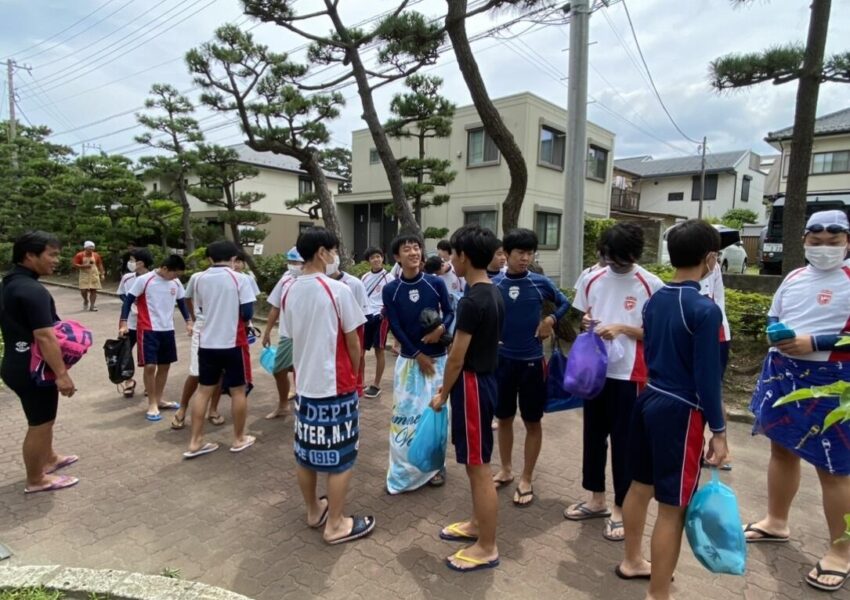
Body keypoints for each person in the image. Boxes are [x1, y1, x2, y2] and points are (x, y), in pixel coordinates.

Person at [617, 219, 728, 597]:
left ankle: (632, 560)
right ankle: (658, 594)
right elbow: (707, 378)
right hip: (681, 411)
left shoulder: (656, 299)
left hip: (648, 398)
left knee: (639, 487)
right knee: (672, 508)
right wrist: (720, 430)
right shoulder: (704, 309)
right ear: (711, 259)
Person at [745, 210, 850, 593]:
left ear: (847, 241)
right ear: (805, 240)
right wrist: (778, 333)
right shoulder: (793, 276)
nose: (823, 248)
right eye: (815, 241)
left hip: (833, 383)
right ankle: (776, 520)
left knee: (835, 469)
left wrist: (815, 342)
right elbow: (775, 314)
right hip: (783, 373)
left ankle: (841, 552)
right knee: (782, 451)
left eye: (833, 241)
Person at [564, 224, 664, 543]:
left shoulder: (651, 285)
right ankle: (596, 499)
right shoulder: (592, 277)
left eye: (620, 259)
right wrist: (588, 324)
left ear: (634, 255)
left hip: (630, 375)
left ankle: (621, 507)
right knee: (593, 436)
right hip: (594, 371)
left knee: (625, 443)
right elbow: (583, 316)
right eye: (608, 257)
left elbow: (659, 334)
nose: (613, 264)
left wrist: (624, 328)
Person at [280, 227, 375, 545]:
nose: (335, 257)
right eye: (333, 251)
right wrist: (355, 377)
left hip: (305, 386)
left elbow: (290, 338)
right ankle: (335, 523)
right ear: (322, 252)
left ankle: (313, 511)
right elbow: (353, 343)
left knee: (305, 453)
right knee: (341, 458)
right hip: (336, 387)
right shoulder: (337, 291)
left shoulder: (290, 290)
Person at [431, 224, 505, 572]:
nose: (451, 260)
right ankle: (477, 526)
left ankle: (487, 546)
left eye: (455, 254)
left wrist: (442, 393)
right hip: (483, 381)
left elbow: (457, 356)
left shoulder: (474, 300)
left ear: (463, 256)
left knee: (478, 467)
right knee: (476, 463)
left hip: (473, 384)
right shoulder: (492, 292)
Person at [491, 229, 570, 507]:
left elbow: (565, 303)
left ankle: (526, 477)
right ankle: (506, 469)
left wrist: (550, 319)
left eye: (529, 253)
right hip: (502, 362)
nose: (525, 258)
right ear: (507, 253)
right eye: (519, 253)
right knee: (504, 419)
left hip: (532, 363)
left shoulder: (539, 282)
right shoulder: (494, 283)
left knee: (532, 420)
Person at [1, 231, 79, 493]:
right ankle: (36, 479)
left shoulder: (11, 282)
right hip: (30, 368)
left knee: (46, 418)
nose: (57, 260)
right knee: (40, 423)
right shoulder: (31, 289)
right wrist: (62, 374)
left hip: (18, 361)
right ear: (30, 255)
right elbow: (45, 337)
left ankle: (50, 458)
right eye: (52, 254)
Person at [382, 232, 454, 494]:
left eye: (417, 248)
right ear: (397, 257)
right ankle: (404, 470)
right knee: (406, 416)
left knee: (435, 413)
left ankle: (436, 466)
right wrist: (417, 355)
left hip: (439, 361)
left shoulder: (435, 283)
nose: (413, 253)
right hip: (410, 364)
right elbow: (396, 326)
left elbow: (449, 310)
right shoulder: (391, 289)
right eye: (407, 249)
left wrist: (441, 329)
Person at [183, 240, 257, 458]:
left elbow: (199, 307)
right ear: (234, 259)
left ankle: (195, 442)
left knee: (204, 390)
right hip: (233, 342)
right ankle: (239, 437)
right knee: (238, 390)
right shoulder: (240, 279)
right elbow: (247, 313)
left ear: (209, 258)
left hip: (207, 342)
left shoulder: (199, 279)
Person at [119, 254, 192, 421]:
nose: (176, 277)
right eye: (174, 273)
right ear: (165, 268)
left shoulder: (175, 282)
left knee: (165, 366)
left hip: (167, 329)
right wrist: (123, 323)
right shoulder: (145, 280)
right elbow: (128, 301)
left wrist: (188, 321)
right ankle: (151, 403)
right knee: (150, 366)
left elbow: (181, 302)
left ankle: (159, 399)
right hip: (147, 328)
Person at [262, 247, 304, 419]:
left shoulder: (312, 279)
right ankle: (283, 405)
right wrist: (267, 332)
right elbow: (275, 306)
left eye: (297, 262)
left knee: (303, 371)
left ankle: (304, 405)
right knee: (279, 370)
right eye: (290, 262)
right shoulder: (286, 279)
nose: (293, 266)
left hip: (307, 335)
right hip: (288, 334)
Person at [700, 261, 734, 472]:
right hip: (712, 331)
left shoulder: (706, 262)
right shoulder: (706, 261)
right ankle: (715, 446)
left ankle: (721, 446)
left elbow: (706, 298)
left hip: (714, 334)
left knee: (711, 390)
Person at [327, 254, 370, 397]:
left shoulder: (353, 283)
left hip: (353, 329)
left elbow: (364, 314)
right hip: (332, 332)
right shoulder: (320, 283)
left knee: (357, 357)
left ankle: (357, 385)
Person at [116, 248, 153, 398]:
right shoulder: (127, 278)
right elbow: (121, 294)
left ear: (141, 262)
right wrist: (130, 303)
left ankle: (149, 384)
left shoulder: (154, 278)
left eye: (132, 260)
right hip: (130, 321)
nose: (130, 263)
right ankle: (129, 381)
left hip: (148, 323)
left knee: (148, 355)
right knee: (125, 351)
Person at [360, 247, 394, 399]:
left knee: (379, 349)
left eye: (378, 256)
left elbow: (394, 298)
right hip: (365, 316)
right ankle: (359, 383)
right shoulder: (365, 277)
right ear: (368, 261)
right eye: (373, 257)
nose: (376, 259)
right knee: (360, 351)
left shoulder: (389, 278)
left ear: (382, 258)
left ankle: (376, 385)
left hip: (381, 318)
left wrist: (385, 312)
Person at [71, 240, 105, 312]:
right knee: (83, 290)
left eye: (93, 247)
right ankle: (85, 300)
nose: (91, 249)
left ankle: (92, 306)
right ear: (85, 248)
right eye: (90, 247)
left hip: (94, 274)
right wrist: (83, 266)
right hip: (84, 274)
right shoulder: (79, 255)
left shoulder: (96, 255)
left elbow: (100, 264)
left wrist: (102, 274)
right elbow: (74, 264)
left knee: (93, 290)